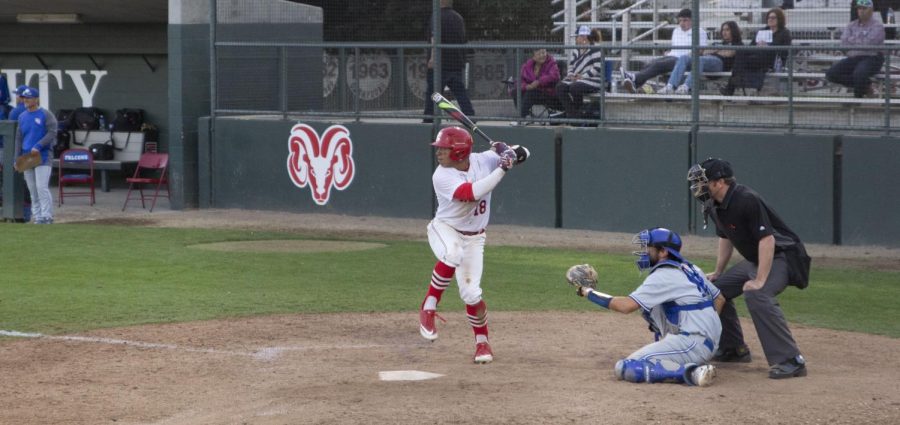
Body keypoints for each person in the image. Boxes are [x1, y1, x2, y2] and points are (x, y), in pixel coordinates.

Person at [687, 158, 811, 379]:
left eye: (702, 181)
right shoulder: (715, 204)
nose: (698, 187)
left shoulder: (746, 199)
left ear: (719, 182)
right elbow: (726, 237)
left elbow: (767, 240)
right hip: (758, 259)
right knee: (712, 288)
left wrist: (760, 279)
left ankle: (791, 360)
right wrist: (717, 272)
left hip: (784, 256)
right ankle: (734, 349)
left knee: (757, 293)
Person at [417, 126, 530, 364]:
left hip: (475, 237)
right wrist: (502, 167)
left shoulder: (484, 160)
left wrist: (506, 150)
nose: (438, 153)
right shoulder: (441, 175)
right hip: (445, 229)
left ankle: (482, 343)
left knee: (471, 294)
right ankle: (428, 306)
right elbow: (472, 193)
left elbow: (525, 152)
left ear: (459, 152)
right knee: (453, 253)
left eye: (444, 149)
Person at [573, 228, 724, 387]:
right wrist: (707, 330)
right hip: (706, 341)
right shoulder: (691, 268)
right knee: (650, 306)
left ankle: (692, 373)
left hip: (693, 343)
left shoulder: (664, 275)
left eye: (648, 247)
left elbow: (626, 306)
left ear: (663, 252)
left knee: (627, 367)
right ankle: (691, 356)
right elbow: (720, 298)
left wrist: (587, 292)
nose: (644, 252)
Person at [623, 8, 708, 94]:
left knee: (657, 64)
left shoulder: (700, 32)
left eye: (685, 20)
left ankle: (634, 78)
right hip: (672, 57)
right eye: (680, 21)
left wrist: (687, 56)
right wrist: (669, 52)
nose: (682, 23)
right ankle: (635, 84)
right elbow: (675, 47)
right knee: (650, 63)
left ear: (693, 20)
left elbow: (700, 51)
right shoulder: (676, 31)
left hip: (684, 61)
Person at [422, 0, 474, 123]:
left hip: (441, 64)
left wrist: (433, 58)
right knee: (460, 92)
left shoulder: (437, 16)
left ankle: (429, 118)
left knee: (433, 92)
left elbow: (434, 38)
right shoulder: (458, 17)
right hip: (456, 62)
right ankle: (470, 115)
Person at [721, 8, 792, 95]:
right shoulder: (762, 31)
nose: (770, 19)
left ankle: (730, 87)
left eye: (773, 18)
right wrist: (757, 45)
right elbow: (751, 47)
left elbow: (784, 52)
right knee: (740, 51)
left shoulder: (784, 33)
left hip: (771, 59)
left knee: (741, 60)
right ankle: (733, 85)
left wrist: (768, 46)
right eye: (769, 17)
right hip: (756, 57)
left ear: (780, 19)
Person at [14, 87, 57, 224]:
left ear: (36, 99)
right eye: (24, 98)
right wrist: (17, 158)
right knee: (32, 188)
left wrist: (39, 145)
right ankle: (37, 216)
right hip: (27, 156)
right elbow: (19, 138)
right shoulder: (22, 116)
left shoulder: (45, 114)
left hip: (43, 155)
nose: (26, 100)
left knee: (41, 187)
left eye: (29, 98)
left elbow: (52, 132)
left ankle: (47, 215)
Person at [666, 21, 743, 95]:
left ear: (733, 31)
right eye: (723, 30)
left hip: (720, 64)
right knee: (684, 58)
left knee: (700, 60)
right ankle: (670, 86)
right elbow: (705, 52)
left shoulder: (738, 44)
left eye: (727, 30)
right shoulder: (720, 43)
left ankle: (686, 87)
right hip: (706, 61)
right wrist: (719, 49)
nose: (724, 32)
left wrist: (714, 50)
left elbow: (728, 53)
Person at [828, 0, 885, 98]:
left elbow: (869, 44)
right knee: (831, 74)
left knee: (859, 73)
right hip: (854, 57)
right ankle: (866, 85)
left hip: (872, 57)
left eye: (864, 8)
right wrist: (859, 41)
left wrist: (852, 40)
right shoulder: (851, 25)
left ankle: (857, 99)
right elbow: (844, 43)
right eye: (859, 8)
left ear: (871, 10)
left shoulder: (878, 26)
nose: (861, 11)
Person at [555, 26, 604, 120]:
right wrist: (571, 75)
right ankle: (575, 116)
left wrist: (582, 77)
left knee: (575, 87)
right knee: (560, 87)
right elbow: (571, 65)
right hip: (576, 79)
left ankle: (574, 117)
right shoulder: (576, 50)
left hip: (593, 80)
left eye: (577, 36)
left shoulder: (596, 49)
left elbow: (598, 68)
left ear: (583, 37)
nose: (576, 39)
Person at [512, 48, 562, 120]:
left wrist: (539, 82)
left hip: (548, 93)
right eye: (539, 54)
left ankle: (521, 118)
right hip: (532, 92)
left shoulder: (551, 63)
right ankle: (526, 116)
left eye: (543, 52)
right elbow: (519, 81)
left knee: (531, 93)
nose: (542, 55)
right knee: (516, 92)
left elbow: (554, 76)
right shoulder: (526, 66)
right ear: (534, 57)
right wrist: (526, 86)